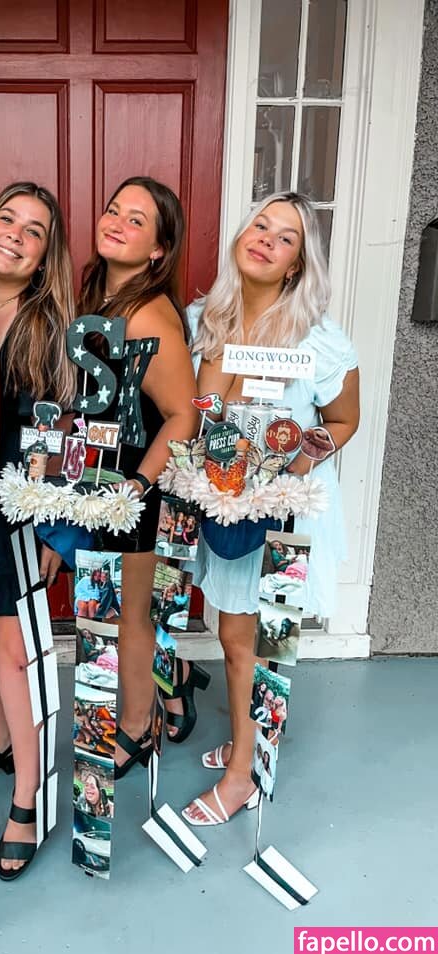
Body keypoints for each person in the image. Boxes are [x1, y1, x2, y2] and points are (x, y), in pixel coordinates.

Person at [181, 191, 359, 826]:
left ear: (296, 265)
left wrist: (293, 470)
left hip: (284, 507)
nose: (266, 240)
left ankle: (242, 777)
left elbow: (344, 420)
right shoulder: (201, 318)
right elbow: (197, 416)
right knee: (233, 634)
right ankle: (249, 745)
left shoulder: (319, 339)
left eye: (285, 238)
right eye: (260, 226)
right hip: (222, 502)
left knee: (252, 640)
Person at [0, 182, 76, 880]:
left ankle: (28, 795)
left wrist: (52, 529)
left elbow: (63, 434)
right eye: (7, 219)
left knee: (13, 648)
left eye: (35, 231)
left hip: (14, 508)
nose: (16, 234)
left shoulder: (48, 327)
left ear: (43, 257)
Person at [76, 176, 200, 776]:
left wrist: (139, 485)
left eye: (136, 219)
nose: (116, 222)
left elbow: (183, 415)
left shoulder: (149, 313)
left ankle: (135, 725)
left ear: (158, 249)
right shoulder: (97, 293)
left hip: (136, 483)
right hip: (99, 477)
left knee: (128, 612)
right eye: (113, 209)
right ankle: (175, 678)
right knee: (108, 606)